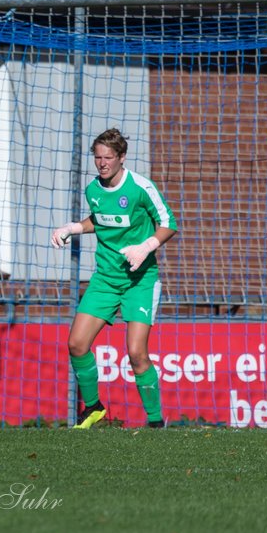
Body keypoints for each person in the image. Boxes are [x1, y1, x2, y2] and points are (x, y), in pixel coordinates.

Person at [50, 128, 178, 429]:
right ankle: (93, 407)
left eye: (108, 157)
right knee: (77, 344)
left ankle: (156, 422)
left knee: (136, 352)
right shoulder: (93, 190)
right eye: (98, 158)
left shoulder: (140, 188)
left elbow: (168, 223)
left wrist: (146, 246)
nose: (102, 163)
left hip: (140, 281)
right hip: (105, 279)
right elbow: (100, 219)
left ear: (122, 157)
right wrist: (73, 228)